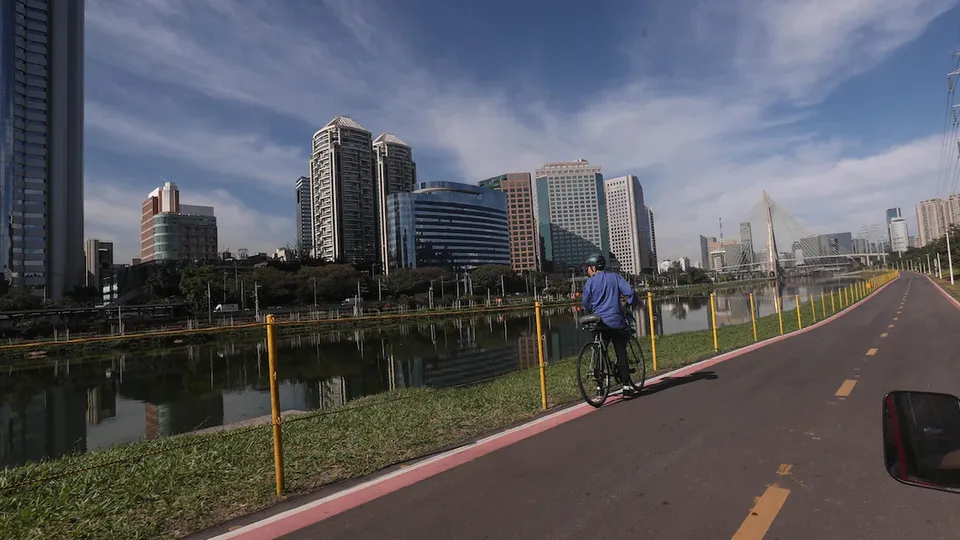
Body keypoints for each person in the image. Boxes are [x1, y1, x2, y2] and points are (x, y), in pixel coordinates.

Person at [581, 253, 640, 396]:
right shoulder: (615, 277)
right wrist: (632, 304)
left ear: (594, 268)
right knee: (621, 352)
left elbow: (585, 303)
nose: (587, 271)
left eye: (588, 268)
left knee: (599, 352)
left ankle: (599, 388)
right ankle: (626, 387)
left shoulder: (590, 282)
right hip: (616, 321)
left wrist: (590, 310)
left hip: (598, 322)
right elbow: (629, 293)